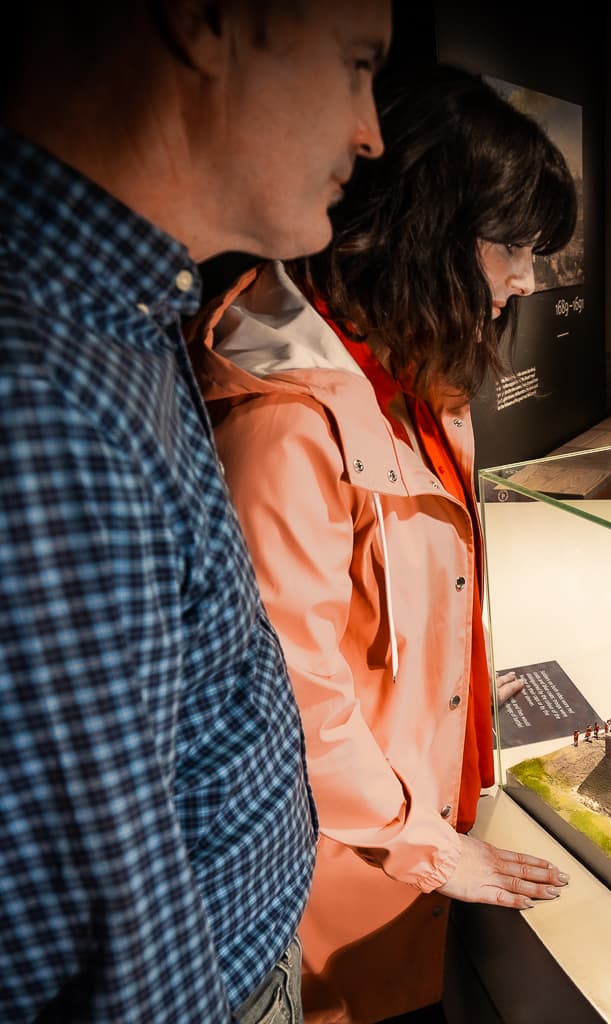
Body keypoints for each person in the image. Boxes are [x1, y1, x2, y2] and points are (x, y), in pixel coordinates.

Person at [0, 2, 390, 1021]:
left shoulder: (116, 316)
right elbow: (118, 949)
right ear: (205, 21)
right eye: (355, 64)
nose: (371, 130)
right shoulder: (42, 393)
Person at [188, 63, 577, 1023]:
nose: (528, 279)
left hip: (407, 833)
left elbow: (385, 616)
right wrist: (438, 851)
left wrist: (463, 677)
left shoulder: (413, 383)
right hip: (353, 880)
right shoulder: (289, 430)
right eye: (514, 246)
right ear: (429, 230)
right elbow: (297, 700)